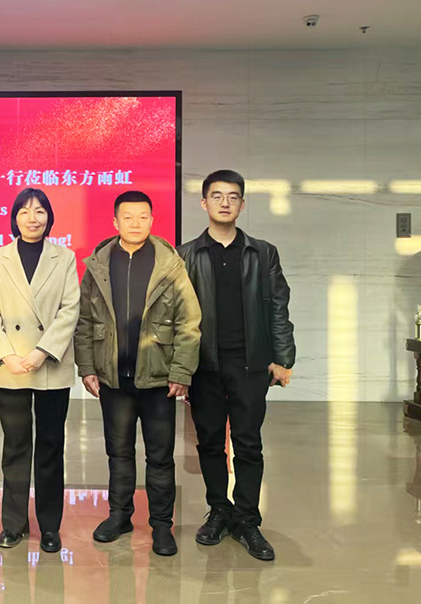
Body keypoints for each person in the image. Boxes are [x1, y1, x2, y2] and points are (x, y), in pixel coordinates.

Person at [74, 190, 201, 557]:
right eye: (127, 217)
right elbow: (85, 321)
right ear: (115, 221)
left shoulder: (169, 265)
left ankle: (161, 525)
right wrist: (87, 366)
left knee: (160, 456)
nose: (135, 223)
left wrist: (181, 371)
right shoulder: (99, 264)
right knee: (118, 453)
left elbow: (189, 322)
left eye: (142, 217)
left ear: (152, 220)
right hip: (113, 377)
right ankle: (119, 516)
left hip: (159, 379)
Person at [177, 170, 295, 561]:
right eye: (217, 196)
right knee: (209, 442)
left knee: (248, 443)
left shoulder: (263, 253)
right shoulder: (185, 255)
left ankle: (246, 518)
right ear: (204, 203)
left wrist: (283, 358)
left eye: (232, 197)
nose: (224, 203)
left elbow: (278, 307)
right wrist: (179, 370)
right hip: (204, 365)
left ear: (242, 204)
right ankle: (219, 510)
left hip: (251, 363)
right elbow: (175, 317)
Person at [0, 188, 79, 553]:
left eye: (39, 211)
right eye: (24, 211)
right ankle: (13, 524)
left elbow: (70, 309)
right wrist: (7, 355)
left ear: (49, 217)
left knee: (51, 447)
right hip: (12, 367)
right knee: (16, 447)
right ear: (15, 218)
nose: (32, 218)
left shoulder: (64, 257)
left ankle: (50, 526)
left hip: (50, 364)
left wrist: (41, 352)